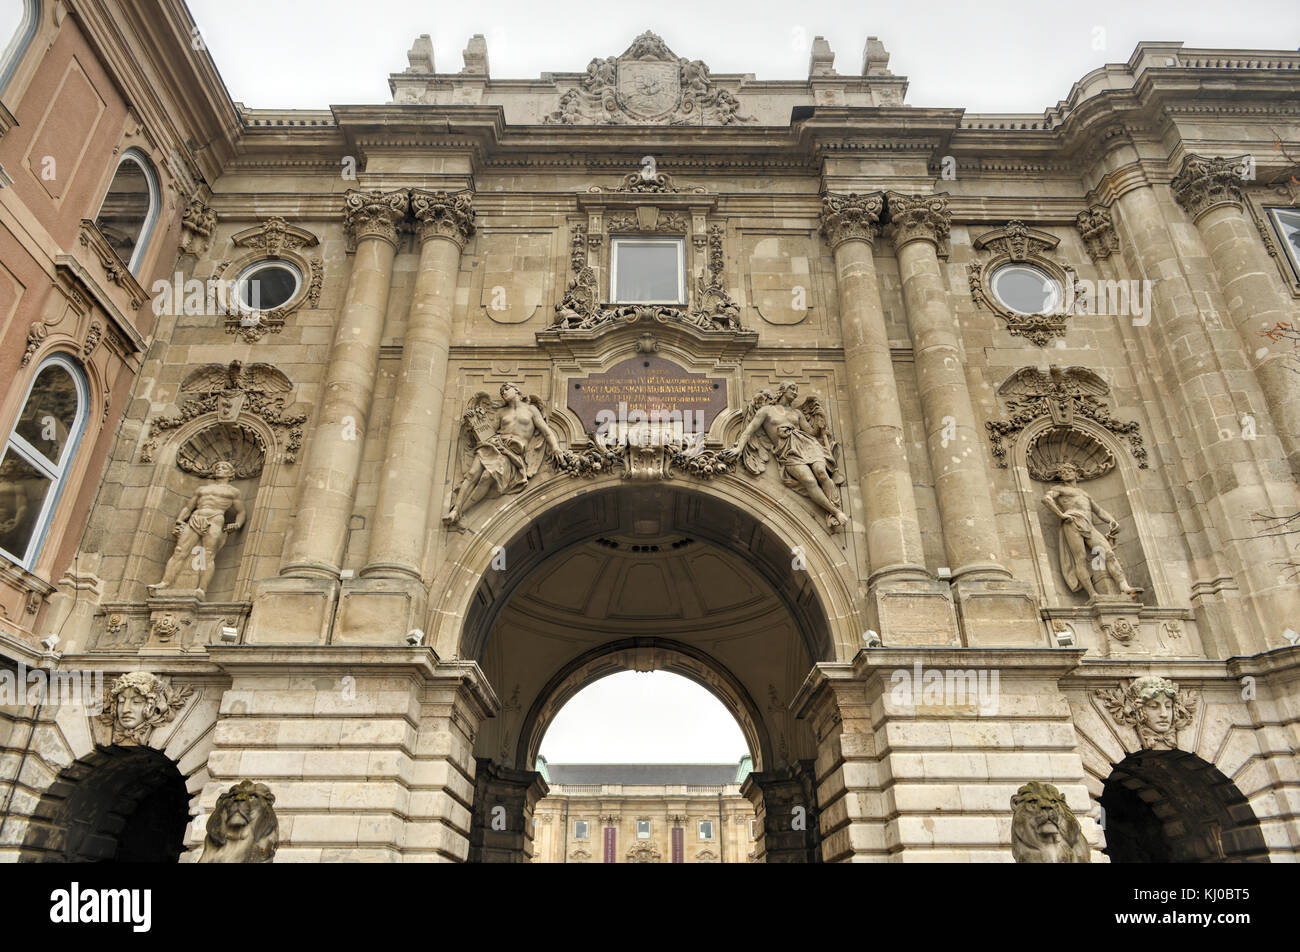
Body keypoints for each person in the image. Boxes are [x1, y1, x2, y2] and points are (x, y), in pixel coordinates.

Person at [722, 382, 847, 528]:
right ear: (782, 391)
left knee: (821, 472)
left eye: (797, 390)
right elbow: (749, 430)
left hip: (808, 445)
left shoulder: (797, 413)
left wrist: (820, 423)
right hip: (788, 451)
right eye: (792, 389)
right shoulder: (766, 410)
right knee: (809, 480)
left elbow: (811, 433)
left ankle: (834, 509)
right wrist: (739, 448)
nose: (795, 393)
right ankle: (835, 512)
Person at [447, 383, 573, 524]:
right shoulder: (501, 412)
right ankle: (455, 510)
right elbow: (488, 433)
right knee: (472, 474)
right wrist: (474, 422)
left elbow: (546, 431)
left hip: (511, 452)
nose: (503, 393)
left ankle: (462, 510)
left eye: (506, 389)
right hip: (494, 444)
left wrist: (556, 447)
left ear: (517, 390)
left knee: (487, 476)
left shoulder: (531, 410)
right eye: (501, 392)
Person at [1041, 461, 1138, 598]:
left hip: (1089, 525)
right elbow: (1046, 499)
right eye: (1063, 472)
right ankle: (1092, 593)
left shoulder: (1084, 493)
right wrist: (1061, 515)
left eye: (1069, 470)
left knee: (1108, 553)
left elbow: (1098, 511)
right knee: (1080, 558)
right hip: (1073, 522)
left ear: (1076, 473)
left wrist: (1112, 521)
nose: (1066, 473)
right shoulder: (1060, 489)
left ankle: (1124, 586)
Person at [151, 460, 245, 598]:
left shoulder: (233, 492)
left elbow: (241, 512)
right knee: (179, 551)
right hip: (196, 517)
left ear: (231, 473)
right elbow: (189, 507)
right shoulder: (202, 489)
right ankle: (165, 582)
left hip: (215, 518)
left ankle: (201, 589)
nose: (219, 468)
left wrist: (237, 524)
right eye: (217, 467)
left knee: (208, 554)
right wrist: (179, 521)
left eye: (224, 467)